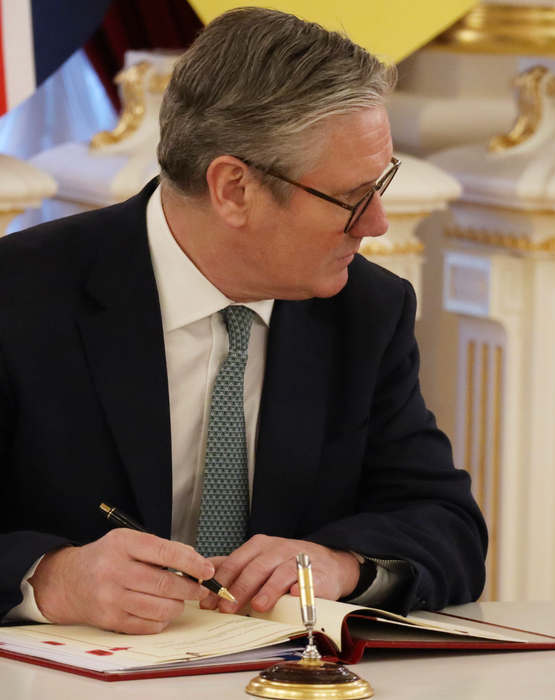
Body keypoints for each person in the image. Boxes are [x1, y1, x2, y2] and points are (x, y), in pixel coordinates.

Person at [0, 8, 486, 634]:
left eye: (382, 184)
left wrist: (340, 565)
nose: (377, 223)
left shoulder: (368, 310)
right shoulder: (19, 296)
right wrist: (50, 576)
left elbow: (447, 526)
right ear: (233, 189)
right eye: (351, 197)